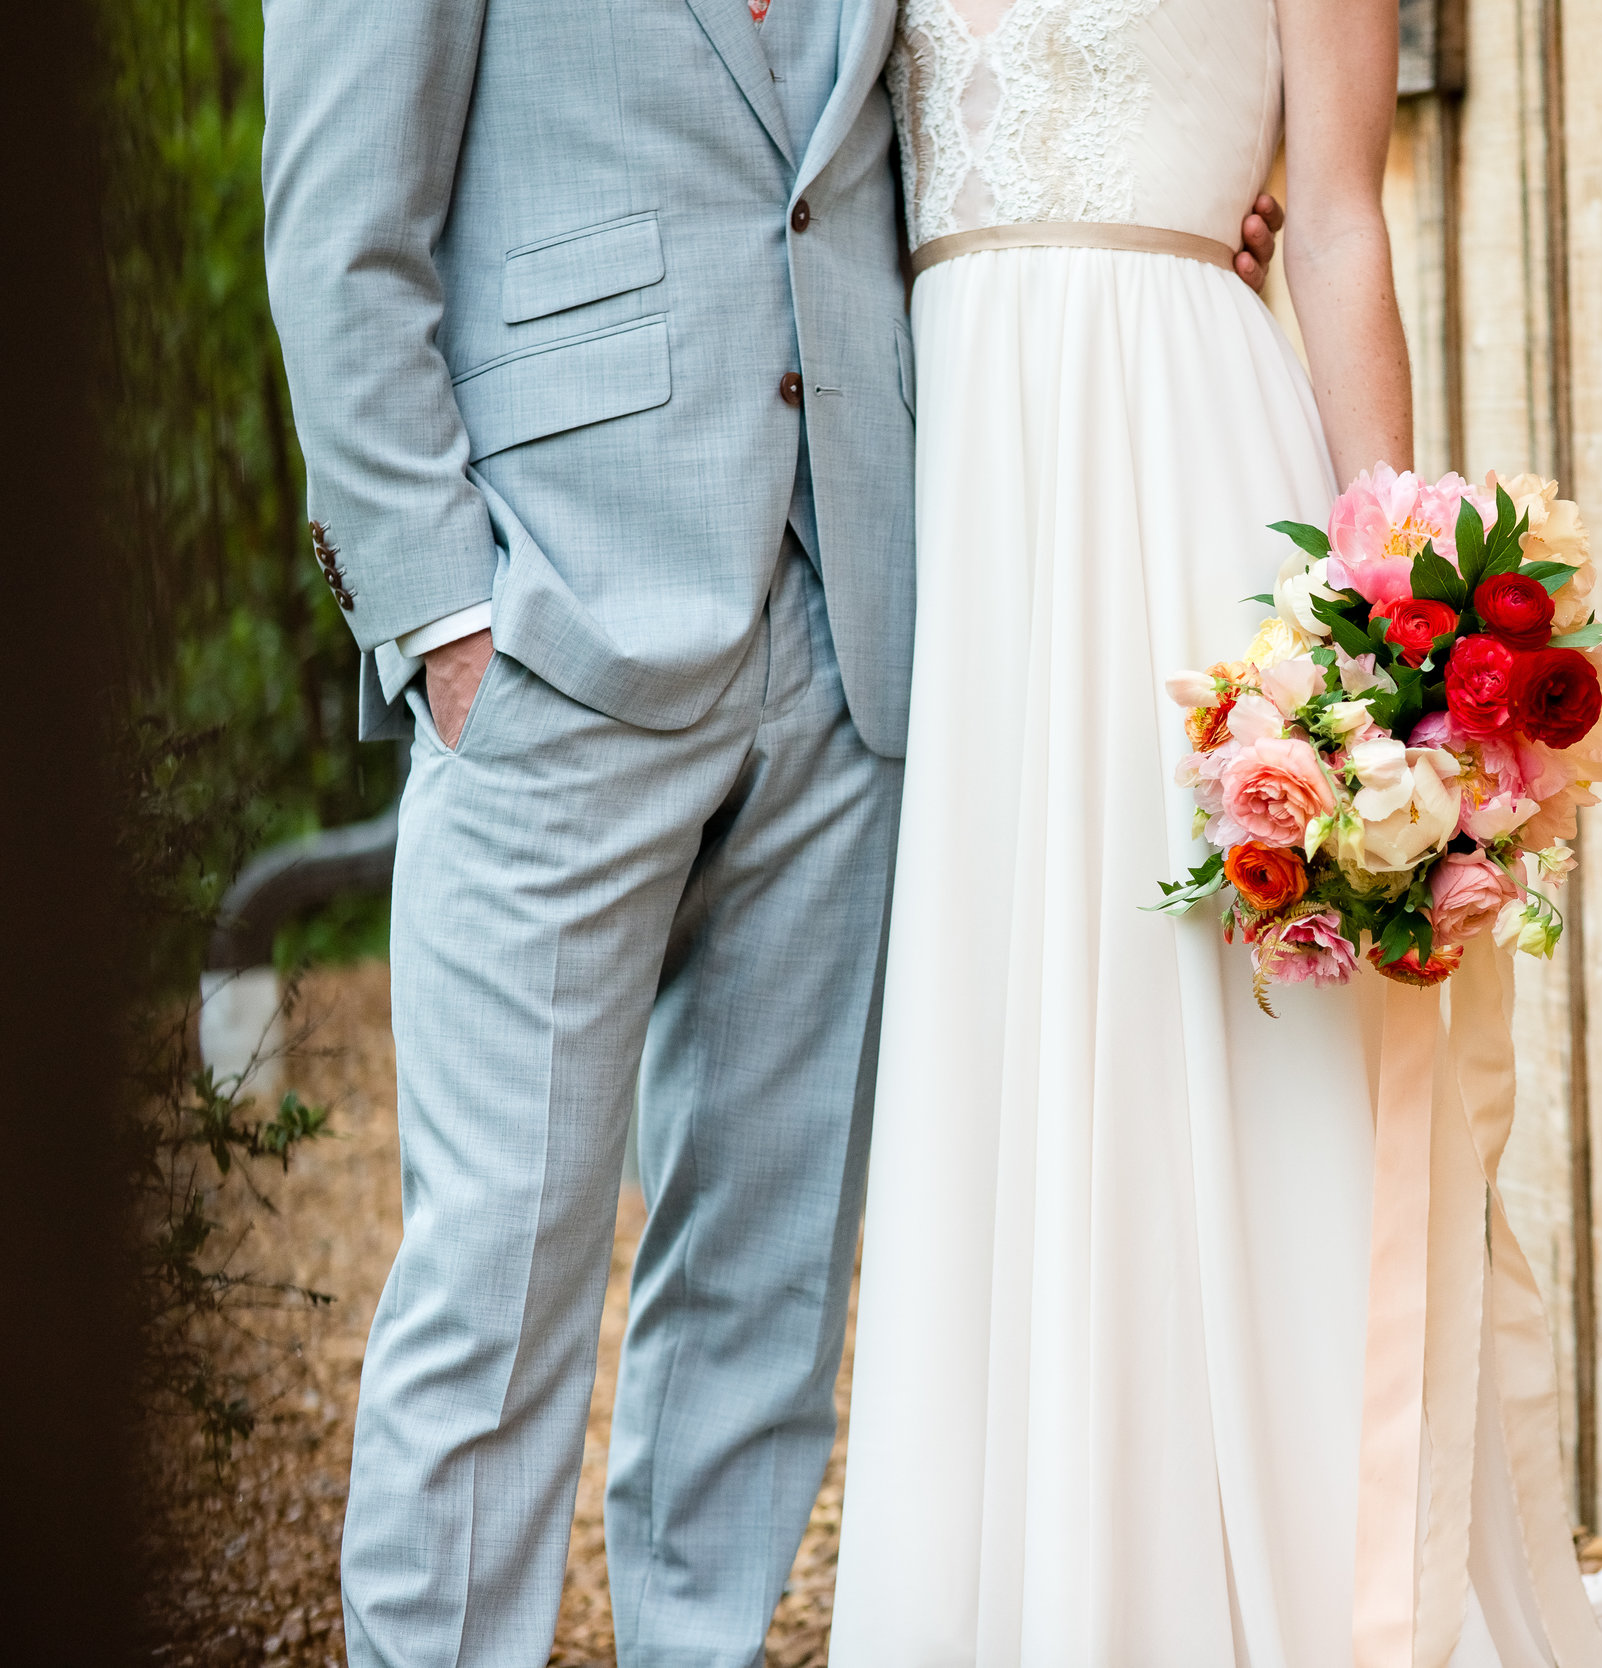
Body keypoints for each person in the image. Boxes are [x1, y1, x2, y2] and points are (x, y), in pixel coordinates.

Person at [261, 1, 1276, 1661]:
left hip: (849, 625)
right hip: (550, 640)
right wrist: (441, 616)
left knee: (764, 1285)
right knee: (495, 1285)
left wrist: (1188, 177)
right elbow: (338, 227)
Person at [829, 2, 1602, 1662]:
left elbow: (1332, 215)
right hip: (958, 479)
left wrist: (1399, 623)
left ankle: (1296, 1579)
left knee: (1233, 1031)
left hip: (1180, 452)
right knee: (1009, 1023)